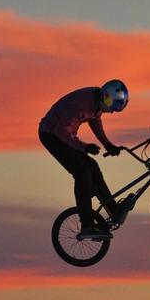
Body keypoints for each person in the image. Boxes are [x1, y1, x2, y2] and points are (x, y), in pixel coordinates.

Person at [39, 79, 129, 239]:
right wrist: (85, 147)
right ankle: (87, 225)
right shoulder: (81, 104)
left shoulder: (97, 103)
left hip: (64, 134)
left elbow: (95, 122)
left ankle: (113, 210)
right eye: (108, 102)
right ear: (104, 93)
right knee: (82, 173)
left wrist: (108, 144)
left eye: (112, 107)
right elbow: (61, 131)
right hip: (51, 135)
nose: (108, 109)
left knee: (93, 166)